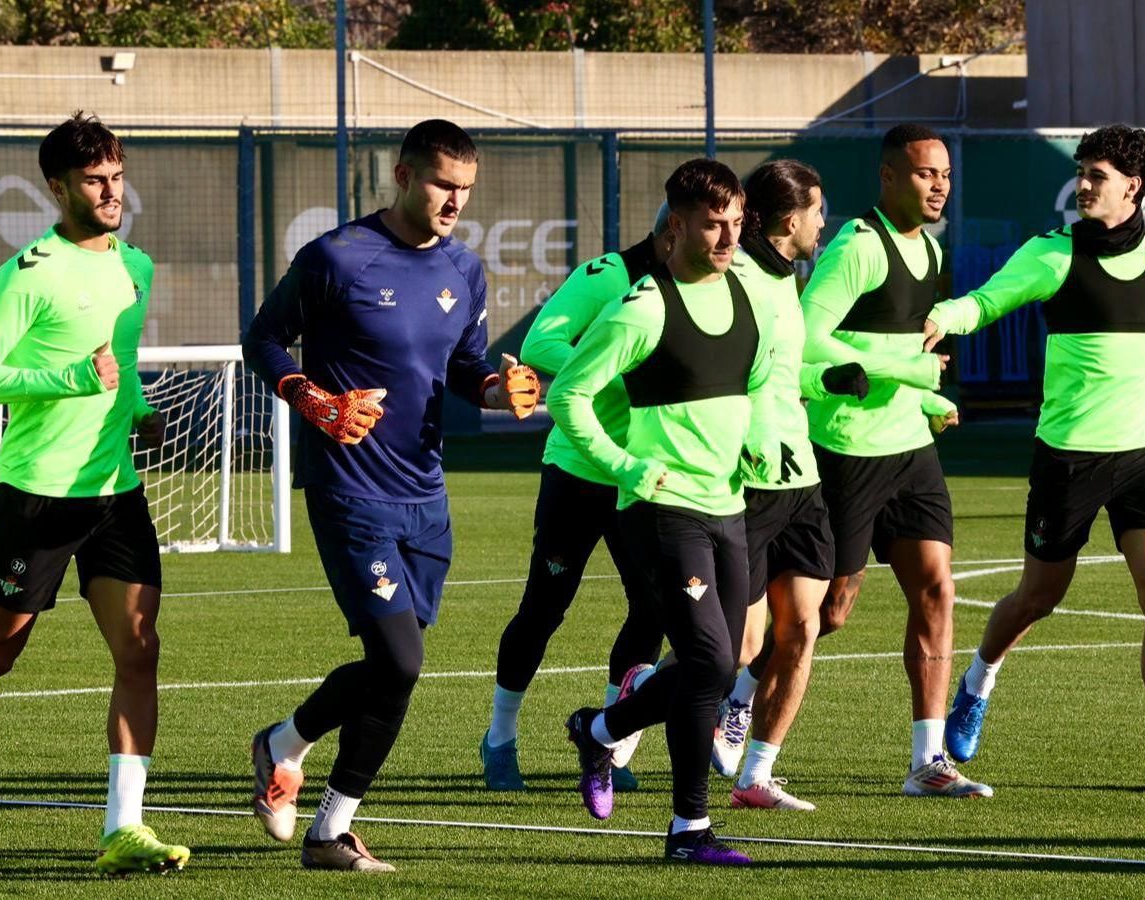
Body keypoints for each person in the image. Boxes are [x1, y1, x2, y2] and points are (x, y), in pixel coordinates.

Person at [243, 118, 539, 873]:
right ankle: (330, 832)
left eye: (466, 190)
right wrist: (312, 398)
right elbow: (265, 340)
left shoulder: (465, 270)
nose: (454, 202)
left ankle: (282, 744)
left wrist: (498, 391)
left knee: (390, 665)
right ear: (403, 175)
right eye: (443, 184)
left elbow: (466, 365)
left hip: (425, 494)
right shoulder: (336, 257)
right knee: (400, 662)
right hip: (349, 488)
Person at [0, 113, 185, 875]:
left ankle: (124, 827)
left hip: (114, 491)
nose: (112, 191)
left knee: (140, 649)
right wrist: (66, 381)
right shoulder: (28, 271)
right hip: (37, 497)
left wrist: (141, 415)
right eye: (95, 180)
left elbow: (115, 364)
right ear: (57, 188)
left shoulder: (137, 266)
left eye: (118, 176)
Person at [928, 124, 1145, 791]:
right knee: (1040, 596)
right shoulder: (1053, 254)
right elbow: (989, 299)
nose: (1084, 184)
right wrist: (947, 317)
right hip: (1068, 457)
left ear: (1133, 186)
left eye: (1097, 175)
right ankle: (979, 679)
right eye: (1081, 172)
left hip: (1144, 456)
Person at [715, 125, 984, 799]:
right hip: (845, 451)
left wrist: (925, 397)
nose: (939, 184)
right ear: (889, 178)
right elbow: (805, 342)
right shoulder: (856, 250)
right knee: (827, 613)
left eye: (945, 173)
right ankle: (740, 696)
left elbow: (899, 355)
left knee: (937, 589)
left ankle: (928, 761)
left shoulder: (932, 250)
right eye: (925, 174)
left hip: (910, 450)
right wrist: (908, 370)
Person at [553, 158, 774, 864]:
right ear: (675, 226)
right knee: (709, 659)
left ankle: (600, 729)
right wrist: (625, 466)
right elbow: (567, 395)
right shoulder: (645, 306)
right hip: (660, 508)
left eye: (738, 223)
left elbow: (759, 384)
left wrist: (758, 446)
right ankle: (689, 831)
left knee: (721, 662)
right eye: (714, 224)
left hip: (728, 505)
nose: (728, 237)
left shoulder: (748, 294)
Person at [480, 204, 674, 794]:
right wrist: (616, 372)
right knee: (545, 607)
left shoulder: (696, 293)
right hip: (577, 470)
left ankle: (612, 743)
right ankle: (499, 737)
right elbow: (541, 343)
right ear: (673, 231)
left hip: (642, 477)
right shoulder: (606, 275)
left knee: (653, 608)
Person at [711, 159, 865, 812]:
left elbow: (782, 375)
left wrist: (825, 382)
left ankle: (756, 774)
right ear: (791, 219)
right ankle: (612, 730)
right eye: (819, 211)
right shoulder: (733, 280)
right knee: (730, 646)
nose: (824, 222)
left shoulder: (787, 282)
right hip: (746, 485)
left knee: (802, 629)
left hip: (801, 480)